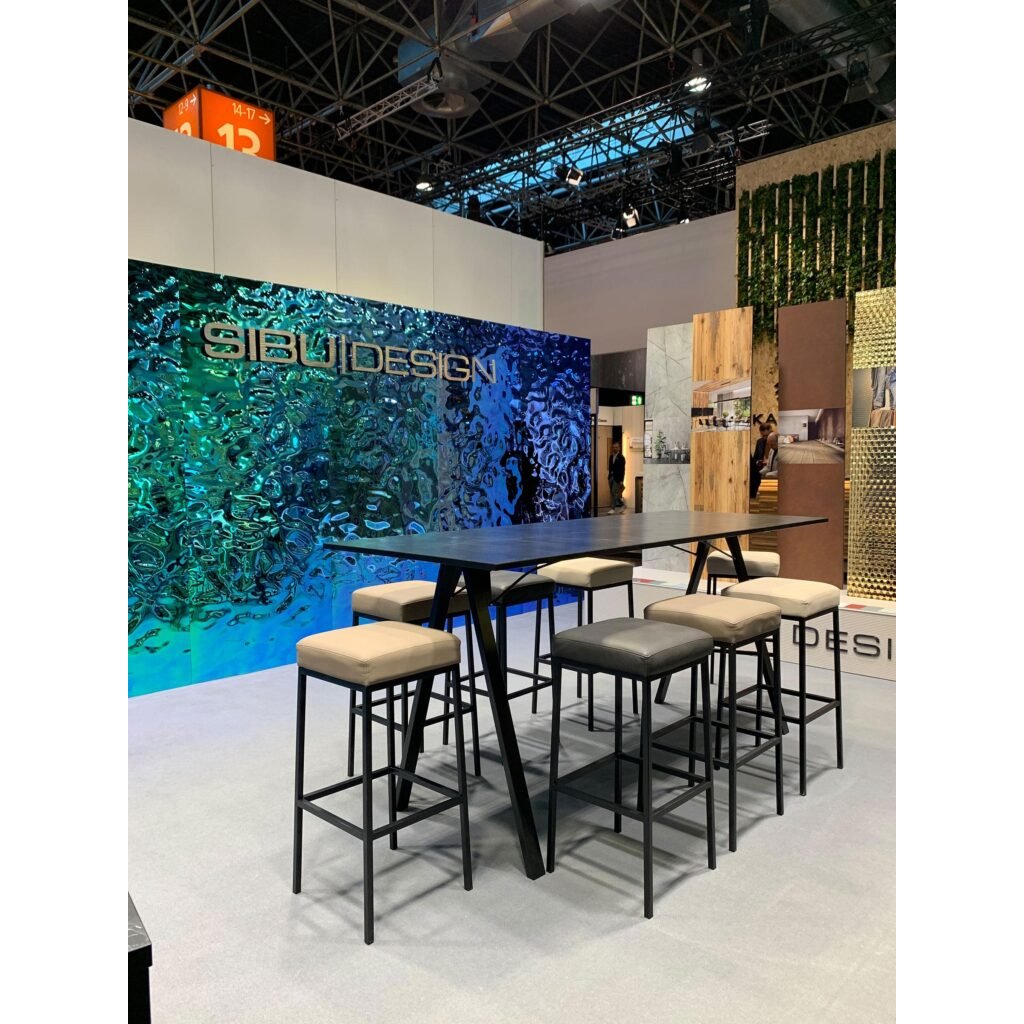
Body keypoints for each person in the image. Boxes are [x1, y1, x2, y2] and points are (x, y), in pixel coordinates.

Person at [607, 441, 626, 513]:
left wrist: (622, 480)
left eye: (616, 447)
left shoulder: (621, 458)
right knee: (613, 493)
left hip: (617, 478)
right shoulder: (611, 456)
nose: (615, 448)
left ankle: (613, 508)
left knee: (614, 492)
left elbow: (623, 470)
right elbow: (610, 467)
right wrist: (609, 476)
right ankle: (622, 505)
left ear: (619, 448)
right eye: (614, 447)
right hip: (611, 477)